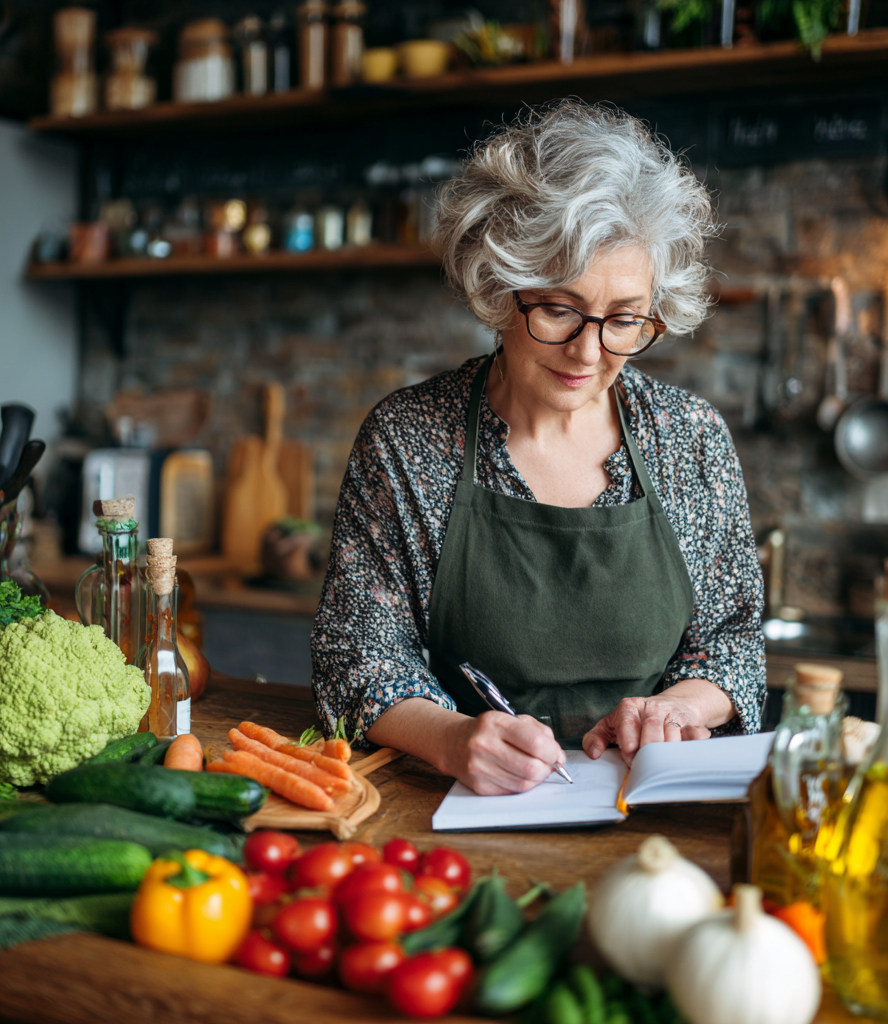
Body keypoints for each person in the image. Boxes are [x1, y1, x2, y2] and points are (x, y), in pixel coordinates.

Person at [311, 100, 765, 796]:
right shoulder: (408, 441)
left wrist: (678, 709)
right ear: (500, 289)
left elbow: (732, 640)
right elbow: (357, 659)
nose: (589, 352)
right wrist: (456, 738)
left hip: (646, 810)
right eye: (559, 309)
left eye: (624, 320)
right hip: (455, 806)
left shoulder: (690, 439)